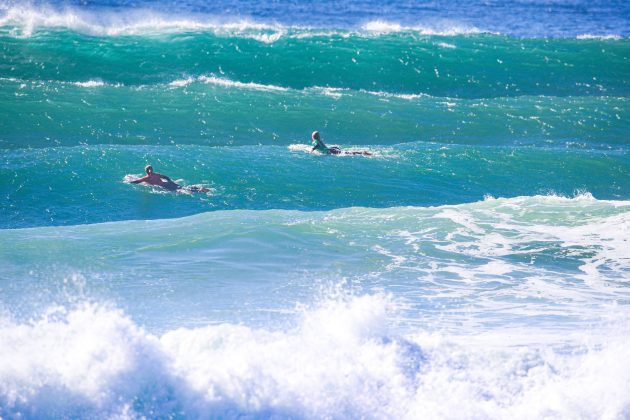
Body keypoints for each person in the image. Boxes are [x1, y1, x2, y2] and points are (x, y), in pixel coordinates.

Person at [130, 165, 209, 193]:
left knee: (180, 190)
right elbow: (165, 177)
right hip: (168, 183)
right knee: (181, 187)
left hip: (165, 186)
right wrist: (170, 181)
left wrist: (129, 182)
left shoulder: (147, 178)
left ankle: (198, 190)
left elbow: (138, 181)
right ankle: (199, 189)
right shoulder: (157, 174)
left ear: (146, 171)